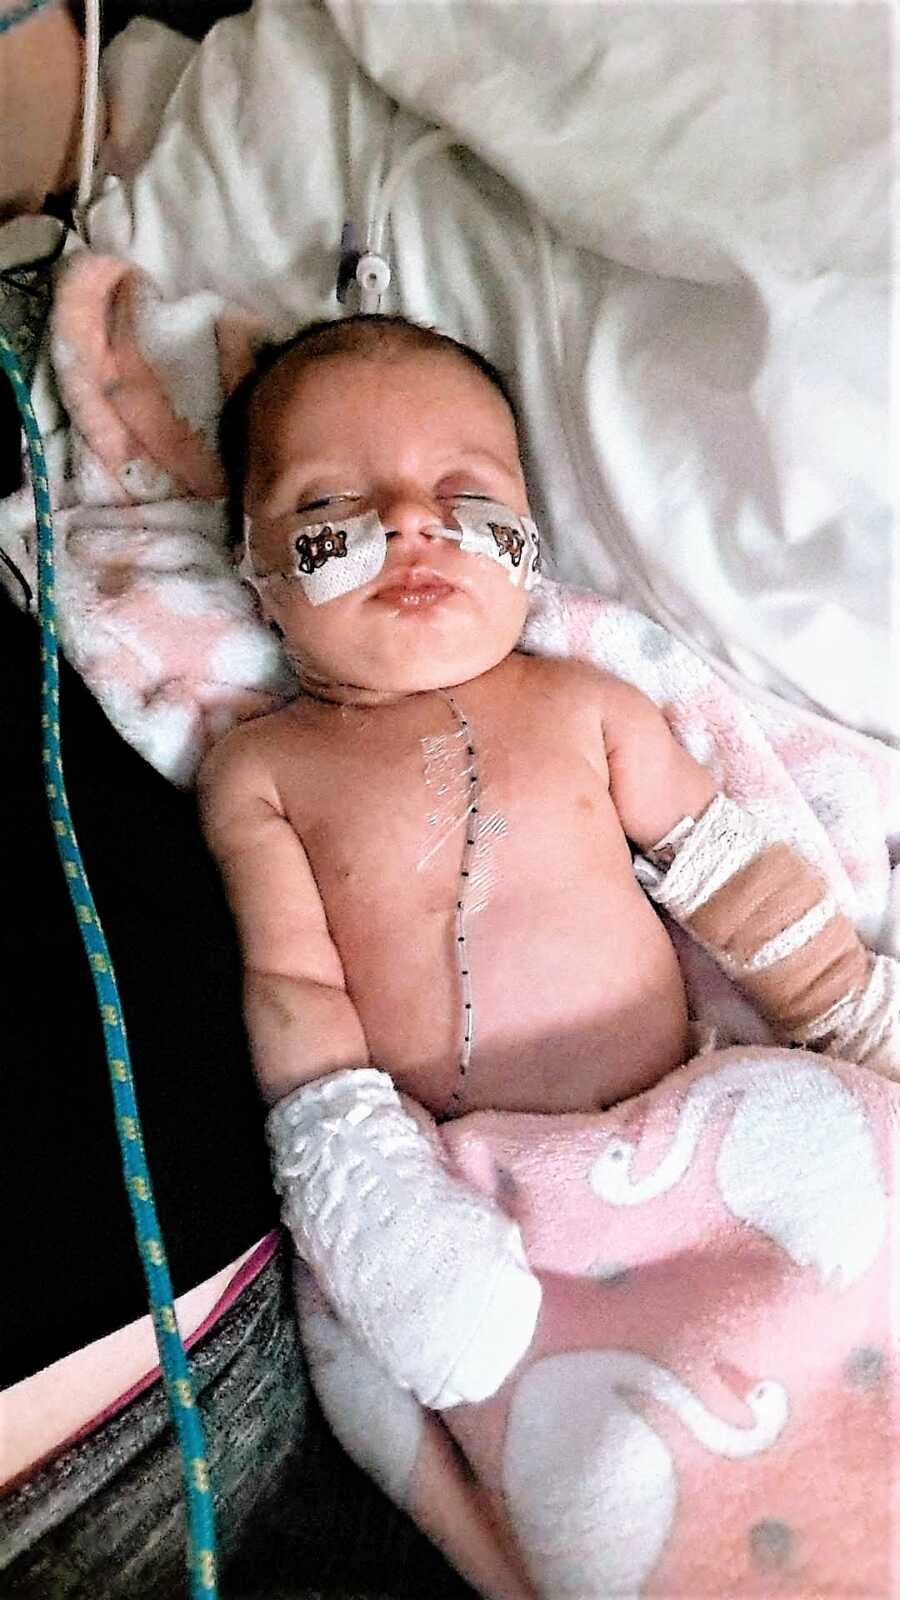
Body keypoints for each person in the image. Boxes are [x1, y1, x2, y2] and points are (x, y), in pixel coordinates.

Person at [201, 312, 897, 1460]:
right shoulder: (263, 769)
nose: (408, 523)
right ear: (252, 560)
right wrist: (378, 1205)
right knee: (586, 1449)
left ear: (529, 536)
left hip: (702, 1139)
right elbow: (293, 988)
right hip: (473, 1204)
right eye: (329, 510)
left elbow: (732, 879)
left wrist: (858, 1013)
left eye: (466, 500)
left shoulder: (585, 704)